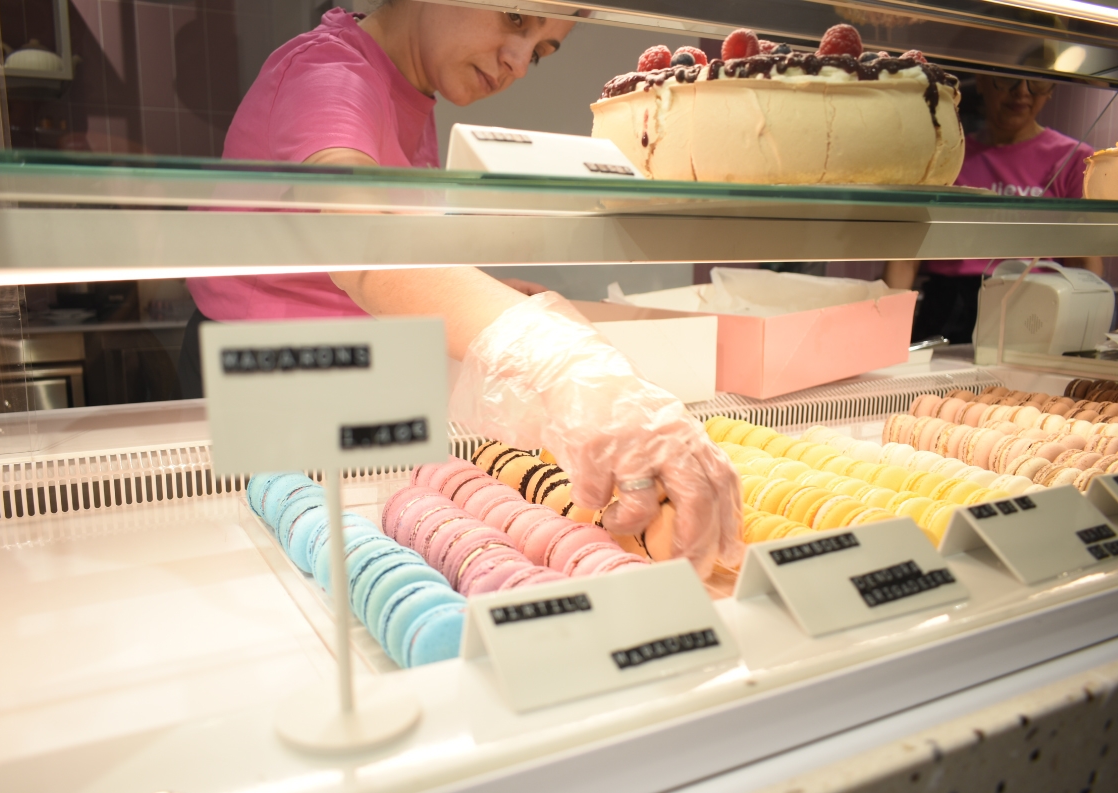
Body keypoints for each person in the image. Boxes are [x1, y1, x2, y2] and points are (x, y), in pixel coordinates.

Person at [177, 1, 745, 575]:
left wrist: (488, 293)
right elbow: (365, 245)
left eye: (543, 52)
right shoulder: (327, 75)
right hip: (270, 388)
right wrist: (561, 363)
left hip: (355, 378)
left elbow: (371, 249)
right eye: (516, 20)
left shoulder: (410, 87)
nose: (519, 62)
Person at [884, 74, 1103, 343]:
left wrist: (1086, 333)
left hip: (1036, 305)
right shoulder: (946, 154)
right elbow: (906, 255)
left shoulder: (1075, 157)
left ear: (1052, 90)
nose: (1022, 92)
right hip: (949, 306)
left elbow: (1083, 261)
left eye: (1038, 82)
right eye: (1007, 79)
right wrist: (887, 330)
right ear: (982, 81)